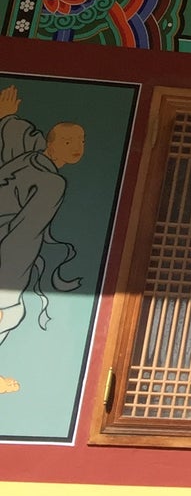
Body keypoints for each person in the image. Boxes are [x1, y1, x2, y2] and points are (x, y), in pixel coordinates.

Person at [0, 86, 85, 395]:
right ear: (51, 145)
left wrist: (6, 118)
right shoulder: (51, 182)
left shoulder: (31, 157)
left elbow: (15, 140)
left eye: (80, 141)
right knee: (11, 312)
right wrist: (7, 289)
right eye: (67, 141)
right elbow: (26, 233)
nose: (76, 147)